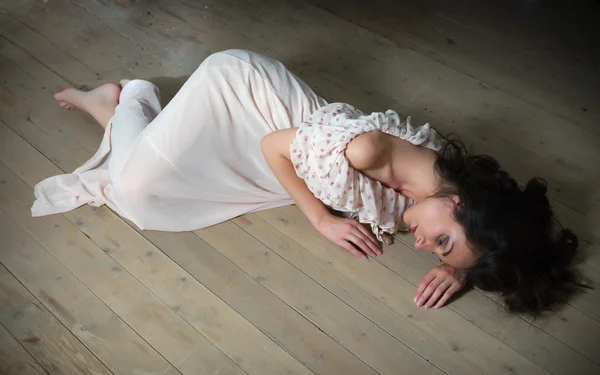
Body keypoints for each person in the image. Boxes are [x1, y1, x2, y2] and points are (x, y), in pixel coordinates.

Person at [33, 49, 582, 314]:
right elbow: (273, 147)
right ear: (461, 204)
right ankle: (126, 99)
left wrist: (462, 264)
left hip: (305, 146)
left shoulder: (450, 188)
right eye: (440, 242)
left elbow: (480, 231)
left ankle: (120, 121)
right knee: (135, 191)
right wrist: (320, 219)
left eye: (435, 249)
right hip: (247, 102)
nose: (421, 246)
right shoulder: (368, 153)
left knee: (159, 186)